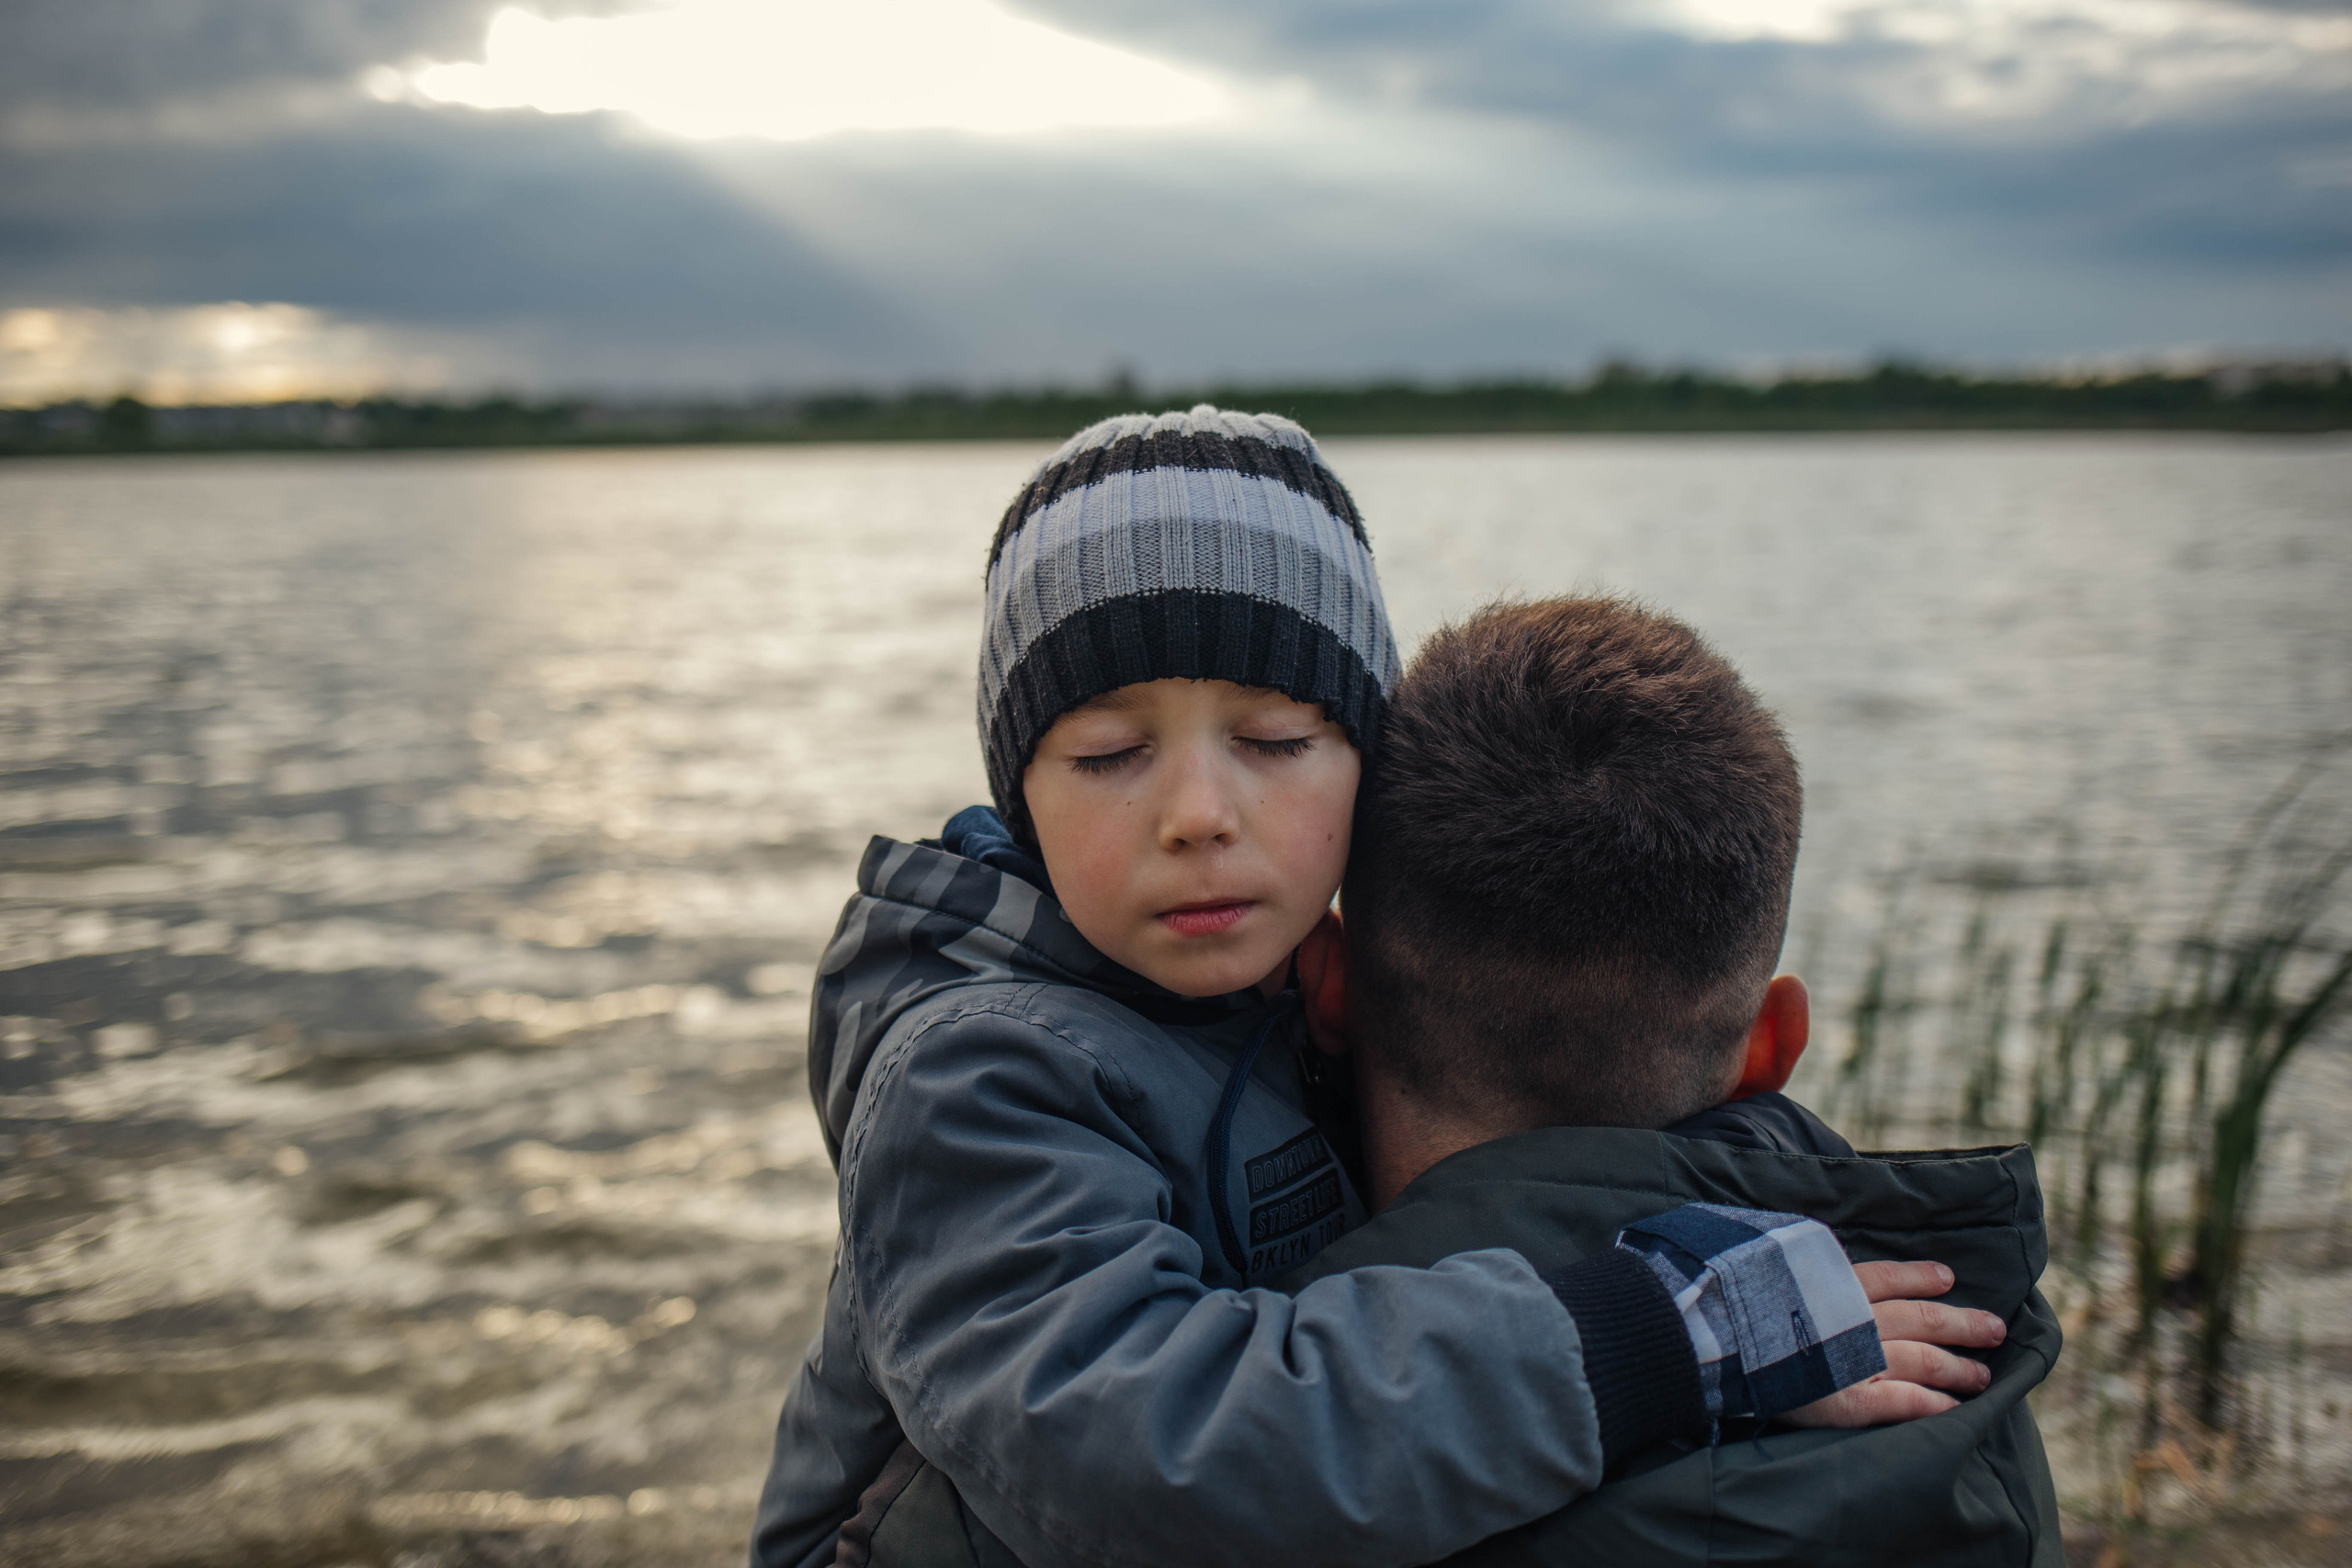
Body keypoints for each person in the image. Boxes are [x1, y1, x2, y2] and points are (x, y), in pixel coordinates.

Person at [752, 410, 1965, 1568]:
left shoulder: (1280, 995)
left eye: (1275, 742)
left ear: (1364, 770)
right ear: (1021, 796)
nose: (1199, 815)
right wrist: (1652, 1337)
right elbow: (1149, 1456)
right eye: (1110, 755)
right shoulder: (973, 1080)